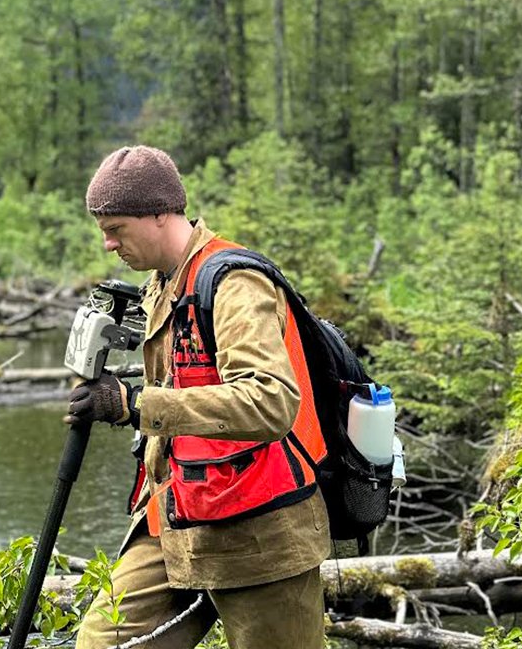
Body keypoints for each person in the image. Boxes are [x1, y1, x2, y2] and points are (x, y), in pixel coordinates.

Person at [68, 145, 331, 649]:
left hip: (262, 531)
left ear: (162, 213)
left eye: (116, 228)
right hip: (178, 518)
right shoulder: (162, 283)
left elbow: (270, 400)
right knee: (103, 641)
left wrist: (137, 405)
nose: (107, 244)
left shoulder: (233, 283)